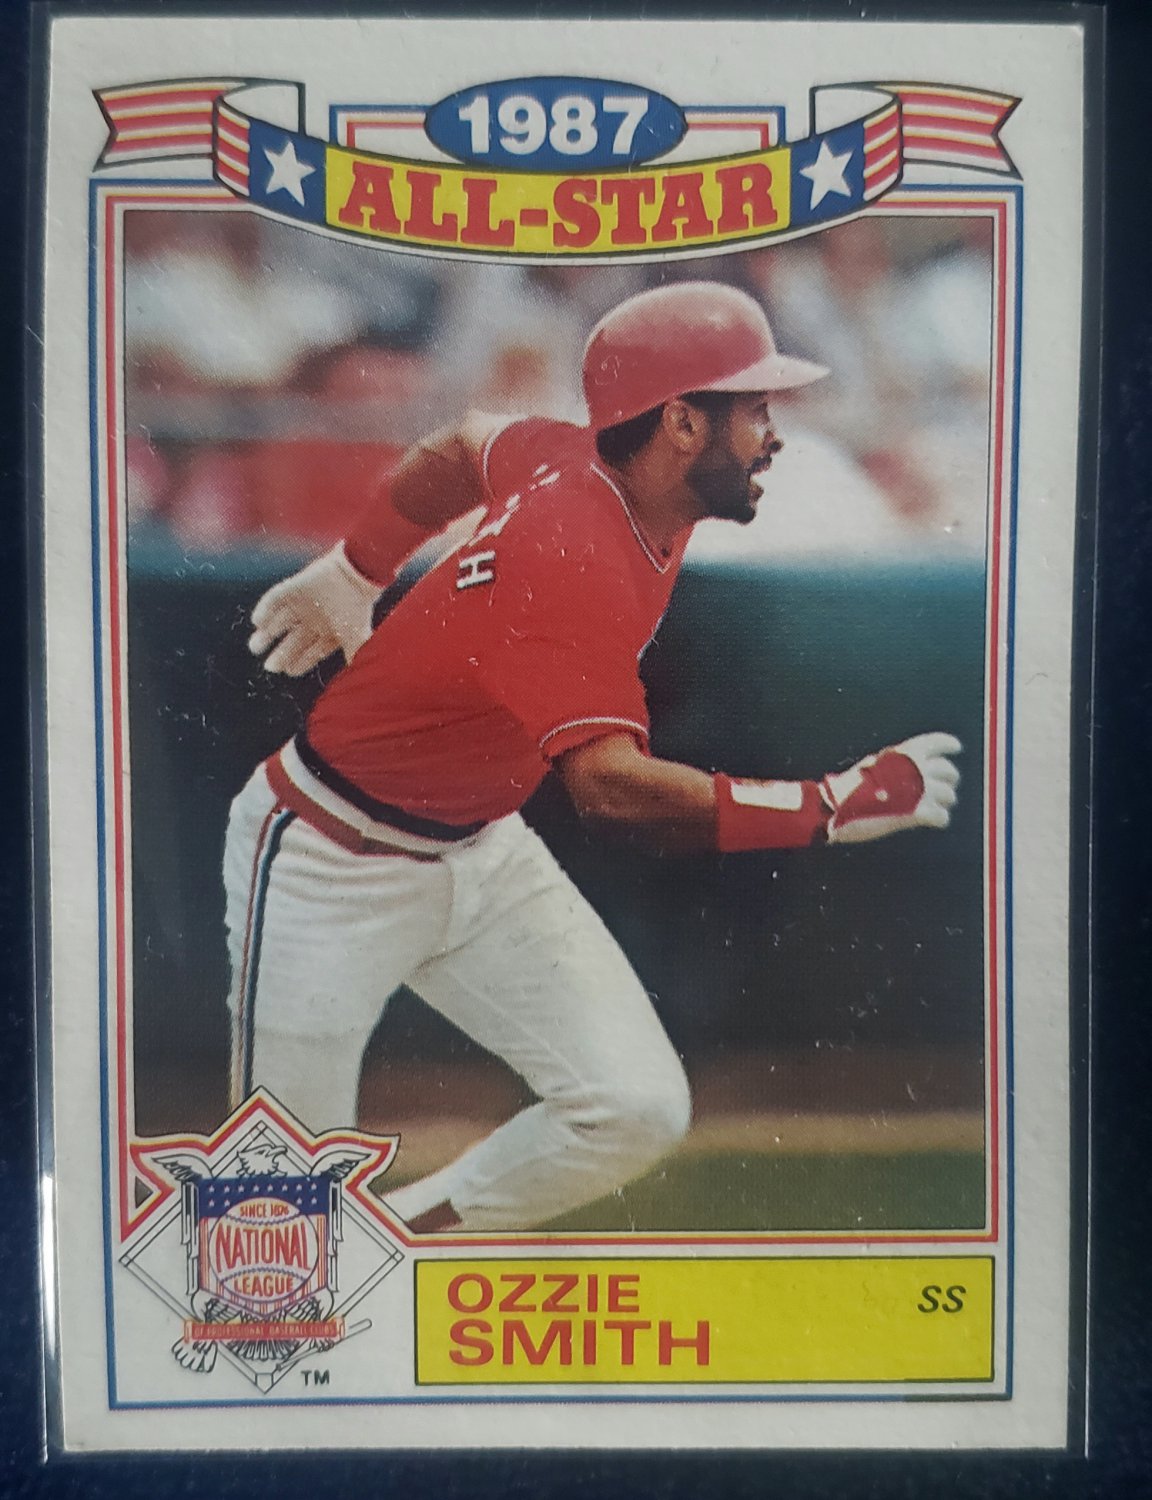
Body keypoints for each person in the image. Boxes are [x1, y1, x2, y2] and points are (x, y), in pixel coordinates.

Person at [230, 281, 961, 1233]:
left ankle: (391, 1243)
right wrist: (822, 805)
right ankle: (320, 1259)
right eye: (755, 409)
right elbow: (610, 789)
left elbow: (461, 445)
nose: (773, 435)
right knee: (277, 1220)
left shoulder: (582, 460)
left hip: (477, 848)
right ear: (683, 424)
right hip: (326, 858)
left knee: (633, 1108)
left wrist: (360, 564)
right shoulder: (573, 548)